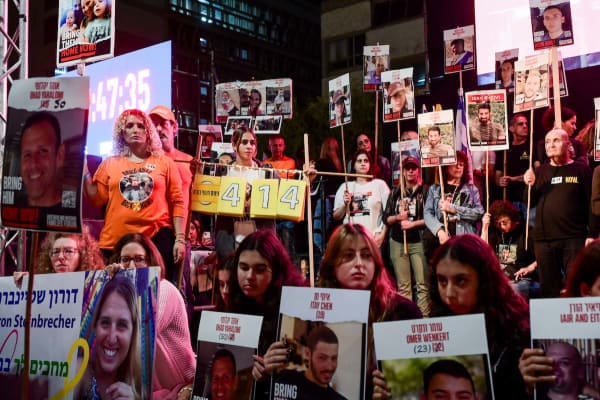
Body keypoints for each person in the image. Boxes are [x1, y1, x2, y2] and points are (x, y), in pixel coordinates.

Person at [318, 224, 422, 399]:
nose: (359, 264)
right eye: (348, 256)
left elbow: (412, 385)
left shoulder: (402, 312)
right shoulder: (314, 314)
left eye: (366, 256)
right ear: (332, 265)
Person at [83, 109, 186, 283]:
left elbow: (177, 201)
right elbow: (96, 199)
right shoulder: (109, 163)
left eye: (141, 126)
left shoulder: (164, 163)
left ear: (149, 132)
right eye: (130, 126)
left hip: (156, 242)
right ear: (122, 132)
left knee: (155, 299)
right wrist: (84, 171)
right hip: (115, 243)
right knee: (118, 298)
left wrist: (180, 239)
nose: (135, 130)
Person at [430, 234, 530, 398]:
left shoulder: (516, 332)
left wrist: (530, 386)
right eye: (442, 281)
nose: (449, 293)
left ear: (484, 281)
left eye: (461, 281)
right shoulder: (437, 323)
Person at [107, 233, 196, 399]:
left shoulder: (165, 289)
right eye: (125, 260)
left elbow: (140, 328)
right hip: (146, 391)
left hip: (182, 387)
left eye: (139, 259)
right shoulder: (123, 295)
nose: (131, 266)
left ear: (151, 261)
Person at [228, 230, 305, 398]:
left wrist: (273, 369)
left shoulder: (295, 310)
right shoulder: (235, 301)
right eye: (244, 267)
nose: (249, 276)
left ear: (276, 271)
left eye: (260, 269)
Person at [519, 241, 600, 398]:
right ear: (586, 291)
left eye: (564, 362)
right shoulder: (554, 326)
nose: (557, 369)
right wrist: (529, 387)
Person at [524, 128, 592, 297]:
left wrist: (593, 233)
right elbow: (528, 201)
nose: (551, 145)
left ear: (568, 144)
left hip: (574, 237)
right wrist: (529, 184)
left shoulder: (581, 169)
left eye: (556, 140)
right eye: (547, 142)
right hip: (544, 240)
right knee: (548, 288)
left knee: (575, 286)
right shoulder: (541, 171)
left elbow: (591, 203)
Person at [77, 273, 143, 399]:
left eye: (122, 325)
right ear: (95, 326)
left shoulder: (141, 388)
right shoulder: (79, 371)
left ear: (133, 333)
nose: (112, 338)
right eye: (105, 323)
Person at [213, 127, 277, 258]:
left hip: (260, 238)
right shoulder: (224, 171)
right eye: (244, 142)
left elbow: (285, 196)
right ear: (234, 145)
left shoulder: (266, 171)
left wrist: (306, 181)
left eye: (252, 143)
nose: (249, 146)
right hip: (229, 239)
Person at [383, 155, 430, 316]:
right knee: (404, 286)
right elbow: (386, 218)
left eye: (413, 168)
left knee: (422, 285)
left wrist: (413, 224)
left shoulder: (425, 191)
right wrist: (398, 217)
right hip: (398, 241)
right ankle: (408, 321)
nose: (410, 171)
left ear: (418, 171)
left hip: (418, 240)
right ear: (402, 171)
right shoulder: (396, 192)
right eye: (407, 168)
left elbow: (431, 217)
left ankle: (423, 320)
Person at [423, 151, 483, 252]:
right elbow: (427, 214)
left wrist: (454, 209)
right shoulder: (435, 189)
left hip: (462, 240)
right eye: (455, 164)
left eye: (461, 165)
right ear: (446, 167)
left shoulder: (471, 190)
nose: (459, 167)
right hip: (438, 241)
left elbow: (478, 213)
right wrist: (439, 231)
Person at [269, 325, 348, 400]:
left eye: (334, 358)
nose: (329, 367)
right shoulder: (285, 380)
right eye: (322, 358)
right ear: (307, 354)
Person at [481, 200, 539, 299]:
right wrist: (485, 227)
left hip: (522, 279)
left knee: (512, 290)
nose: (500, 226)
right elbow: (482, 251)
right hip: (501, 279)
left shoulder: (526, 233)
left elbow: (542, 257)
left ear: (513, 220)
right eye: (497, 223)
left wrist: (529, 268)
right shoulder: (496, 232)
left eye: (504, 222)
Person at [333, 150, 390, 246]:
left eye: (366, 161)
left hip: (373, 240)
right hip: (350, 240)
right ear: (354, 165)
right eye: (359, 161)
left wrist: (383, 233)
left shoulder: (379, 184)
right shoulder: (346, 186)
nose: (363, 163)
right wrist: (345, 205)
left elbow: (389, 212)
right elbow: (336, 216)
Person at [149, 105, 193, 225]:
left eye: (163, 123)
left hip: (181, 234)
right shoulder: (144, 161)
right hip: (155, 232)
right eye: (153, 124)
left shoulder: (189, 161)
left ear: (174, 127)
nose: (158, 128)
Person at [19, 112, 66, 207]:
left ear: (59, 156)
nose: (33, 164)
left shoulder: (71, 211)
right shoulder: (12, 207)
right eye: (27, 154)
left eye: (43, 151)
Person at [263, 134, 297, 257]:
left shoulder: (290, 162)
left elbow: (283, 182)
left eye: (280, 145)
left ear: (284, 146)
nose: (277, 148)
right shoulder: (264, 163)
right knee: (270, 244)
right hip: (271, 207)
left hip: (285, 207)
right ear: (269, 147)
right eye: (274, 146)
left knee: (287, 244)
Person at [495, 114, 532, 216]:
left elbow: (537, 172)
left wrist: (513, 179)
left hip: (528, 200)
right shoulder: (504, 150)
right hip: (509, 200)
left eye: (526, 124)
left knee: (530, 230)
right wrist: (500, 181)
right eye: (520, 124)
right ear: (511, 128)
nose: (525, 126)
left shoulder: (532, 146)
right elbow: (497, 175)